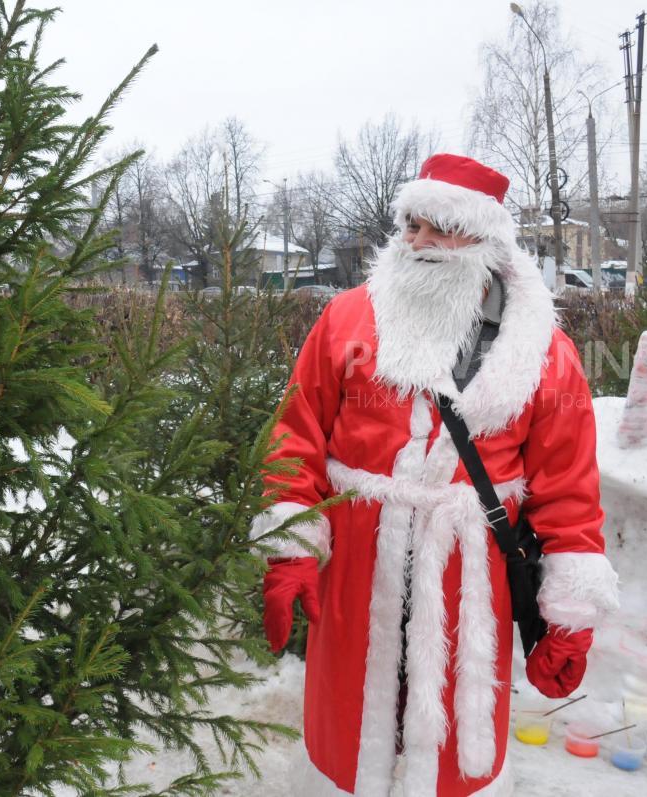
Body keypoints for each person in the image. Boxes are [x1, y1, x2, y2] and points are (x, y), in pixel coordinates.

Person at [251, 154, 619, 797]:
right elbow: (295, 434)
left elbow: (568, 485)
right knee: (351, 715)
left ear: (486, 240)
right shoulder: (346, 320)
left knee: (451, 727)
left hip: (468, 566)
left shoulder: (544, 352)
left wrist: (570, 611)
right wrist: (291, 545)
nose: (419, 242)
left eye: (440, 227)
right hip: (362, 558)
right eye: (412, 225)